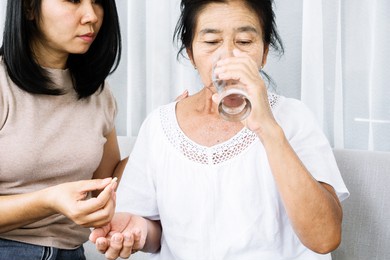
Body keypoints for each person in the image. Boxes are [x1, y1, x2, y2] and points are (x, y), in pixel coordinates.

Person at [90, 0, 349, 259]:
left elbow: (325, 238)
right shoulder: (160, 125)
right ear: (190, 53)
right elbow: (154, 231)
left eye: (245, 42)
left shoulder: (293, 118)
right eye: (212, 42)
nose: (227, 56)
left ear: (264, 52)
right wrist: (139, 232)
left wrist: (268, 128)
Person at [0, 0, 122, 259]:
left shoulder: (98, 93)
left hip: (72, 253)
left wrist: (170, 128)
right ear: (30, 9)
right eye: (74, 0)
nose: (91, 16)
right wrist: (48, 200)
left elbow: (105, 183)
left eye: (98, 2)